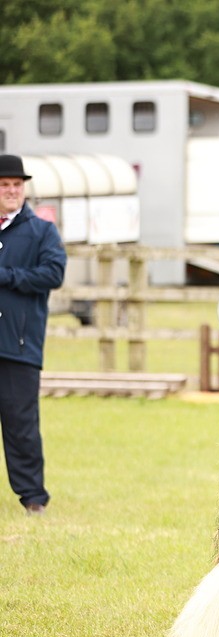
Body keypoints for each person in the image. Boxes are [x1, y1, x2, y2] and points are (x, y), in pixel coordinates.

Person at [0, 154, 66, 515]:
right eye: (4, 185)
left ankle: (33, 498)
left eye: (16, 185)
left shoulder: (41, 231)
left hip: (19, 344)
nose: (11, 191)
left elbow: (53, 273)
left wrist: (8, 276)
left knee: (21, 424)